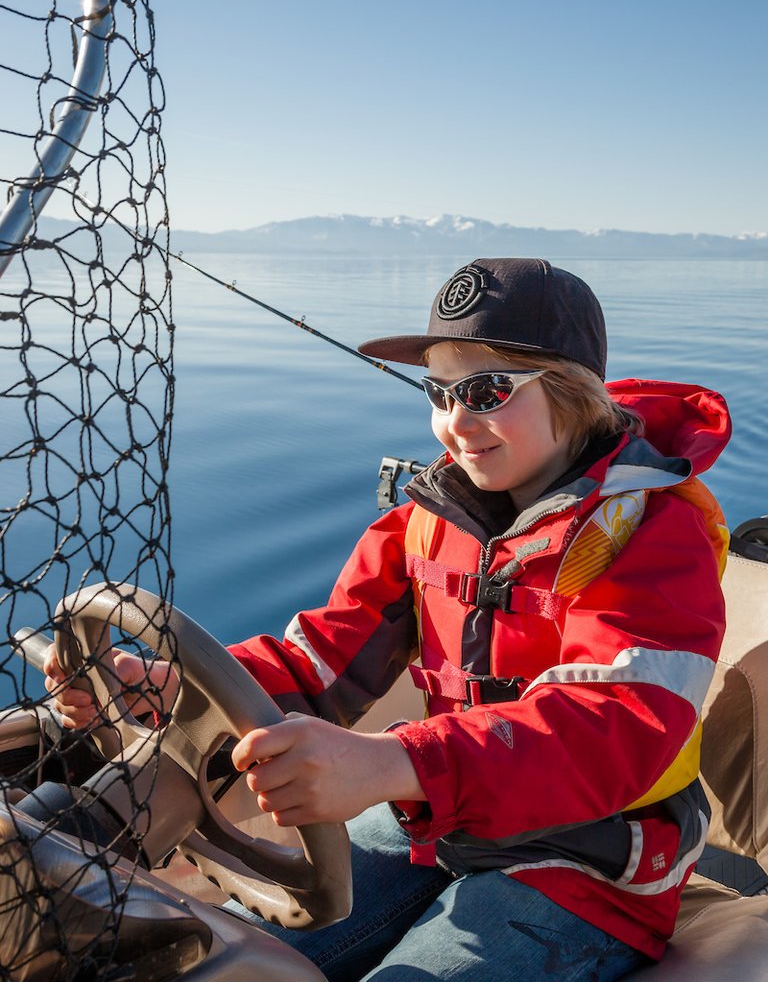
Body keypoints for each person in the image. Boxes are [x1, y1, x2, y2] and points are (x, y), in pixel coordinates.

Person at [45, 258, 731, 982]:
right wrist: (168, 688)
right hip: (437, 823)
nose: (455, 423)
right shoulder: (422, 524)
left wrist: (393, 762)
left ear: (572, 393)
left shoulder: (654, 536)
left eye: (487, 392)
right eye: (439, 392)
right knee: (209, 960)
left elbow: (614, 728)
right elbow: (318, 662)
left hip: (590, 866)